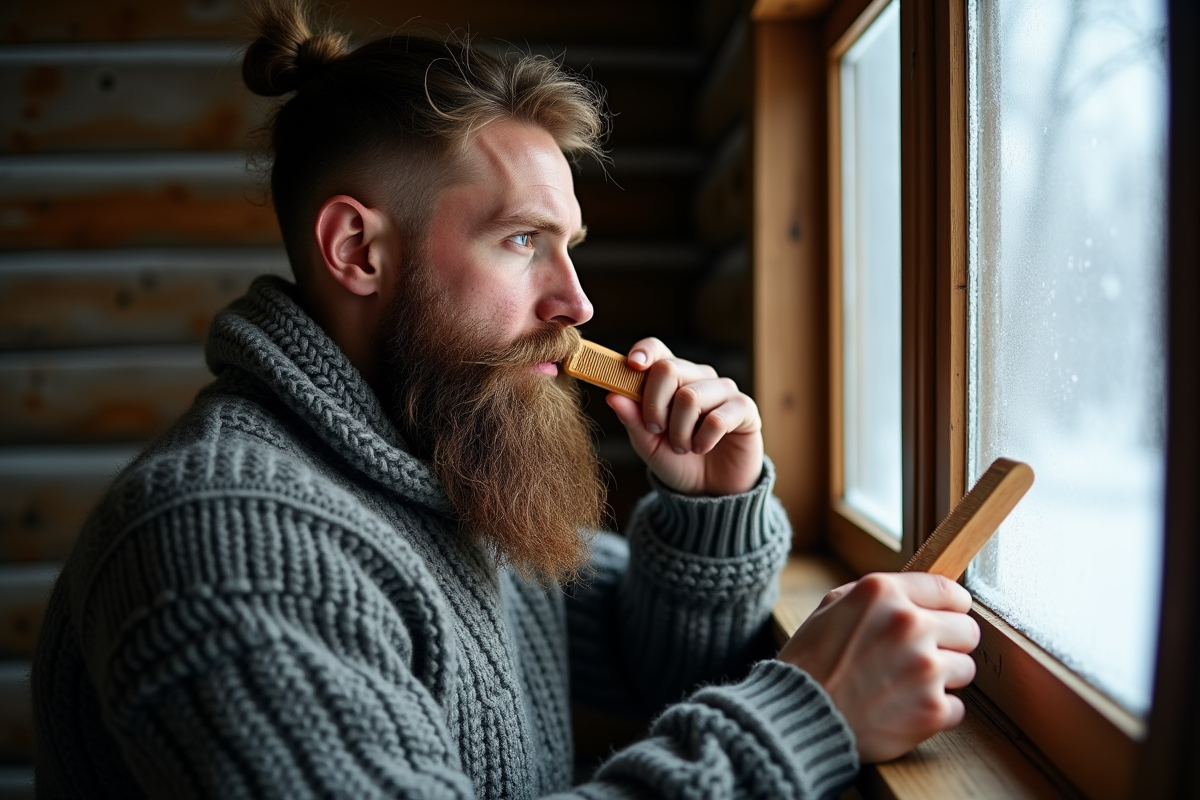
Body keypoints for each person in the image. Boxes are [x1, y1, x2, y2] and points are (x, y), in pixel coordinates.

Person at [30, 3, 980, 798]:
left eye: (569, 246)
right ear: (358, 251)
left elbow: (646, 660)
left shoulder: (433, 454)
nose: (577, 304)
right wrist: (807, 717)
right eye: (523, 240)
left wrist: (709, 507)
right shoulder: (230, 535)